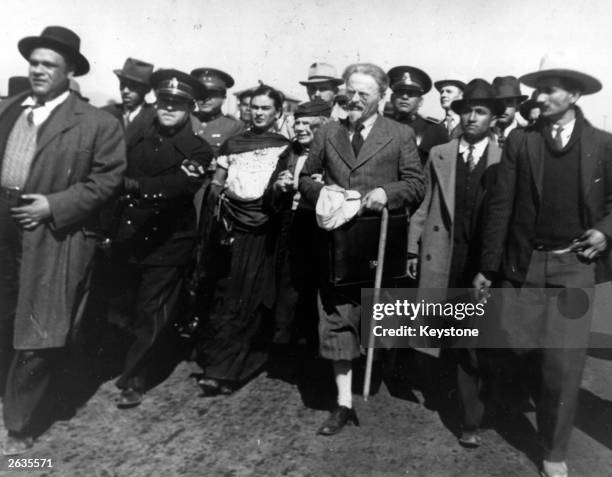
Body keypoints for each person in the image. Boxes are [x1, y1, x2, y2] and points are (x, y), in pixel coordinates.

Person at [473, 51, 612, 477]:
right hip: (524, 264)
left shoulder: (604, 144)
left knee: (564, 364)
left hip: (574, 267)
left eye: (550, 89)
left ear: (572, 94)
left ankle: (553, 451)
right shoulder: (523, 141)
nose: (540, 96)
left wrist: (606, 230)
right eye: (538, 88)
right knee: (515, 345)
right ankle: (520, 400)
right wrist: (487, 267)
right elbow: (501, 207)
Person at [0, 26, 126, 455]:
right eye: (33, 63)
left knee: (38, 330)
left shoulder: (96, 123)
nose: (37, 71)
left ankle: (20, 424)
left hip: (52, 237)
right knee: (3, 315)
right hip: (2, 231)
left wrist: (53, 205)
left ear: (69, 70)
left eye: (48, 65)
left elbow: (107, 179)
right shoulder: (11, 108)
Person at [299, 63, 425, 435]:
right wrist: (323, 192)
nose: (353, 99)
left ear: (381, 97)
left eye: (363, 94)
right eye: (349, 92)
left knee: (376, 315)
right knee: (337, 317)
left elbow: (416, 184)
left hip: (379, 241)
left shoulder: (400, 134)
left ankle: (379, 367)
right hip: (336, 244)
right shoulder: (327, 132)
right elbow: (305, 178)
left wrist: (388, 193)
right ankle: (343, 403)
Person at [407, 78, 504, 447]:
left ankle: (470, 419)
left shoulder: (505, 156)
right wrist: (413, 248)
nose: (472, 118)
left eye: (480, 112)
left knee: (472, 341)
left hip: (480, 259)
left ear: (493, 119)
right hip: (441, 253)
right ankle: (439, 393)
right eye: (467, 111)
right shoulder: (442, 153)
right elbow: (426, 202)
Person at [111, 69, 214, 408]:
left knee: (151, 311)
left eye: (178, 104)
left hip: (169, 242)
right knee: (123, 304)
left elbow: (177, 189)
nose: (169, 109)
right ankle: (118, 361)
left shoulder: (197, 150)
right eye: (165, 102)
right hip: (130, 235)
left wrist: (133, 187)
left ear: (189, 108)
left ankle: (135, 379)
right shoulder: (135, 138)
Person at [194, 85, 291, 396]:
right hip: (229, 226)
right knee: (224, 293)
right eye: (255, 107)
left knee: (249, 297)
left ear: (278, 112)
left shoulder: (284, 148)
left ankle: (231, 369)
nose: (259, 112)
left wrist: (279, 189)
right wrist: (217, 194)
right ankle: (218, 366)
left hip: (264, 230)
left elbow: (283, 188)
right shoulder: (233, 144)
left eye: (266, 108)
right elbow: (218, 182)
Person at [263, 99, 332, 351]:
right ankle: (286, 343)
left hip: (321, 228)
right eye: (297, 122)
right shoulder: (290, 152)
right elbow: (269, 195)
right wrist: (277, 187)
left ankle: (313, 345)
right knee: (288, 284)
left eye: (307, 123)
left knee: (315, 286)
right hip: (289, 226)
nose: (300, 128)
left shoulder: (334, 150)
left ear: (323, 125)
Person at [387, 65, 449, 164]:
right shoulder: (379, 126)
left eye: (411, 93)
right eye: (400, 92)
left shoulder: (435, 130)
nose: (405, 97)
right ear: (392, 98)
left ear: (420, 101)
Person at [190, 67, 244, 157]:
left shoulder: (234, 126)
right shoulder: (186, 120)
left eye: (212, 94)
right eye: (201, 94)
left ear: (223, 98)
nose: (205, 99)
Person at [102, 57, 156, 143]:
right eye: (123, 84)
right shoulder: (105, 113)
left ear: (147, 89)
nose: (125, 91)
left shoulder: (155, 119)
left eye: (133, 86)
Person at [491, 76, 527, 147]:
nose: (503, 108)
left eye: (509, 102)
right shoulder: (484, 136)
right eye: (499, 103)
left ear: (517, 105)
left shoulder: (526, 135)